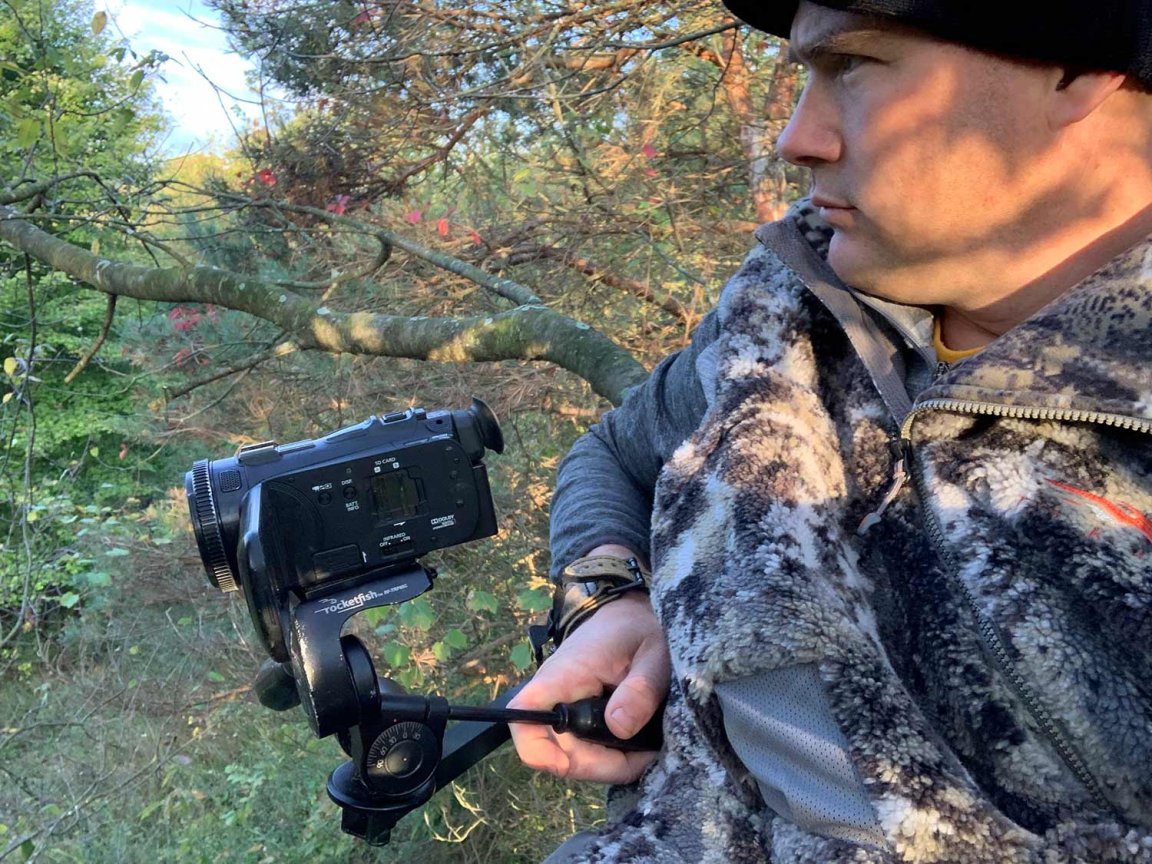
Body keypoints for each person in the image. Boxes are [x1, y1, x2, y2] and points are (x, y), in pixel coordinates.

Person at [509, 0, 1152, 861]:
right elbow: (614, 454)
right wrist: (613, 595)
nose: (796, 136)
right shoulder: (782, 316)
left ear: (1079, 65)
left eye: (853, 65)